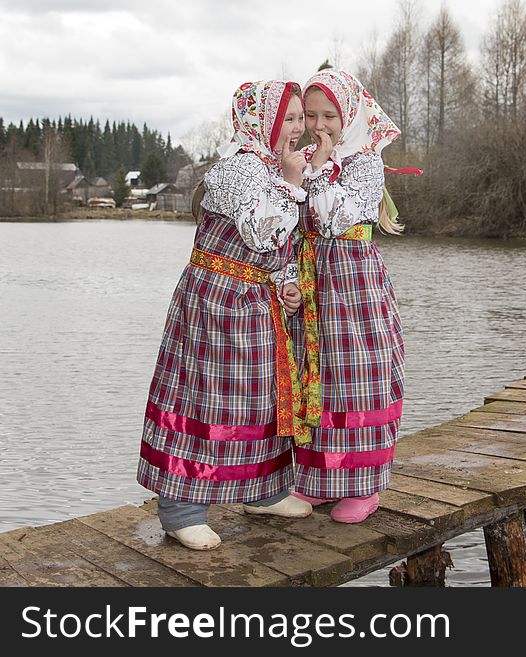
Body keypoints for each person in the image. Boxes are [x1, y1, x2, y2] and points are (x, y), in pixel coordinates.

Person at [136, 80, 314, 550]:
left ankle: (264, 491)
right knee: (204, 399)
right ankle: (180, 509)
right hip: (215, 301)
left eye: (299, 118)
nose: (298, 129)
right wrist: (293, 185)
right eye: (289, 119)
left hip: (255, 300)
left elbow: (279, 246)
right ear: (263, 122)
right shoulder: (239, 169)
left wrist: (287, 282)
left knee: (260, 398)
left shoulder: (275, 170)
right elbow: (259, 229)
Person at [286, 68, 406, 523]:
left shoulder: (365, 163)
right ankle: (316, 479)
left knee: (358, 374)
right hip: (312, 276)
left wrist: (316, 170)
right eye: (310, 115)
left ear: (349, 114)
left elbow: (336, 216)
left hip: (353, 283)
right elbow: (292, 221)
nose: (319, 126)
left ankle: (364, 484)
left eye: (329, 115)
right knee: (312, 373)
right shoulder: (298, 160)